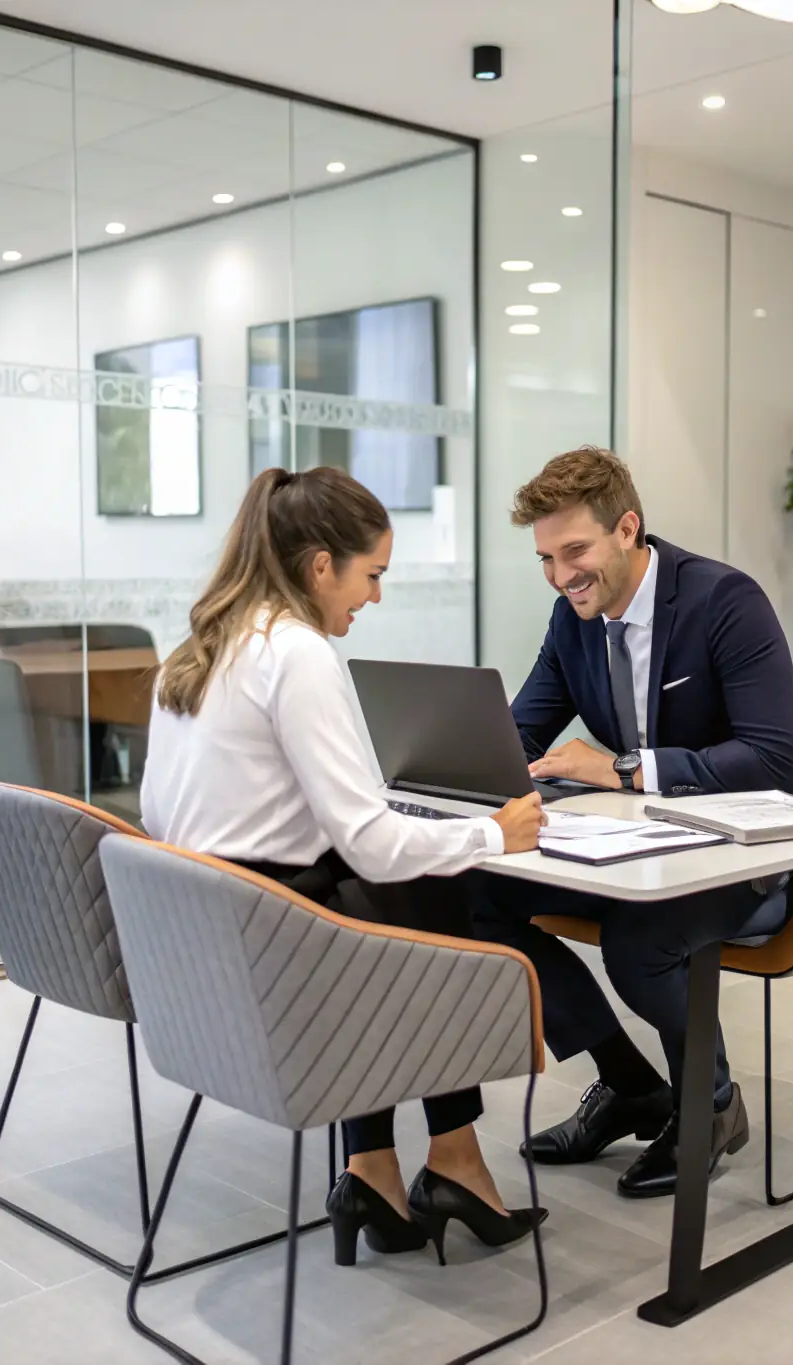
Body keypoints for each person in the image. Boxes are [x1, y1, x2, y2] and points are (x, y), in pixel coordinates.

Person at [140, 465, 547, 1264]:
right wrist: (494, 833)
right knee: (433, 891)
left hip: (199, 942)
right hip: (278, 953)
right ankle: (454, 1160)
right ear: (320, 565)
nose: (376, 597)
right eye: (373, 575)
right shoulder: (296, 651)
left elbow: (160, 814)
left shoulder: (202, 645)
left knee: (390, 891)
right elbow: (371, 840)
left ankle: (372, 1168)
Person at [472, 445, 793, 1199]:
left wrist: (624, 768)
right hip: (645, 851)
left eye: (575, 552)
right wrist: (465, 770)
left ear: (628, 528)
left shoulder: (726, 601)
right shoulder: (574, 619)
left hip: (750, 853)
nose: (561, 577)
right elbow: (523, 732)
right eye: (546, 559)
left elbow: (775, 756)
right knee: (473, 898)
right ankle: (631, 1085)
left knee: (641, 941)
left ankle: (712, 1106)